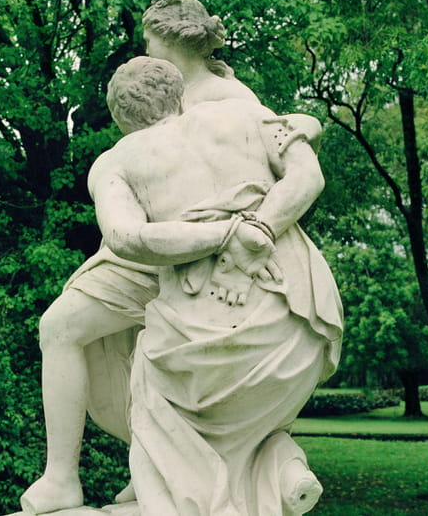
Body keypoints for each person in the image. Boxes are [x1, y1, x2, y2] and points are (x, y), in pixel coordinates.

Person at [20, 0, 321, 515]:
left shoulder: (224, 95)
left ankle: (67, 476)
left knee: (70, 329)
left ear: (170, 44)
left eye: (150, 41)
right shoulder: (221, 101)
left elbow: (288, 149)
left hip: (187, 247)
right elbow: (292, 151)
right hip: (197, 244)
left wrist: (244, 232)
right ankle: (157, 467)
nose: (147, 50)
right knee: (86, 330)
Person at [88, 57, 343, 515]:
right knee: (255, 420)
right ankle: (282, 465)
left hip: (210, 329)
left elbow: (126, 238)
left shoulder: (116, 161)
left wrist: (219, 236)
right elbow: (309, 175)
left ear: (119, 118)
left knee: (152, 392)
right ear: (179, 94)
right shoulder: (244, 112)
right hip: (300, 316)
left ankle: (195, 497)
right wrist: (255, 229)